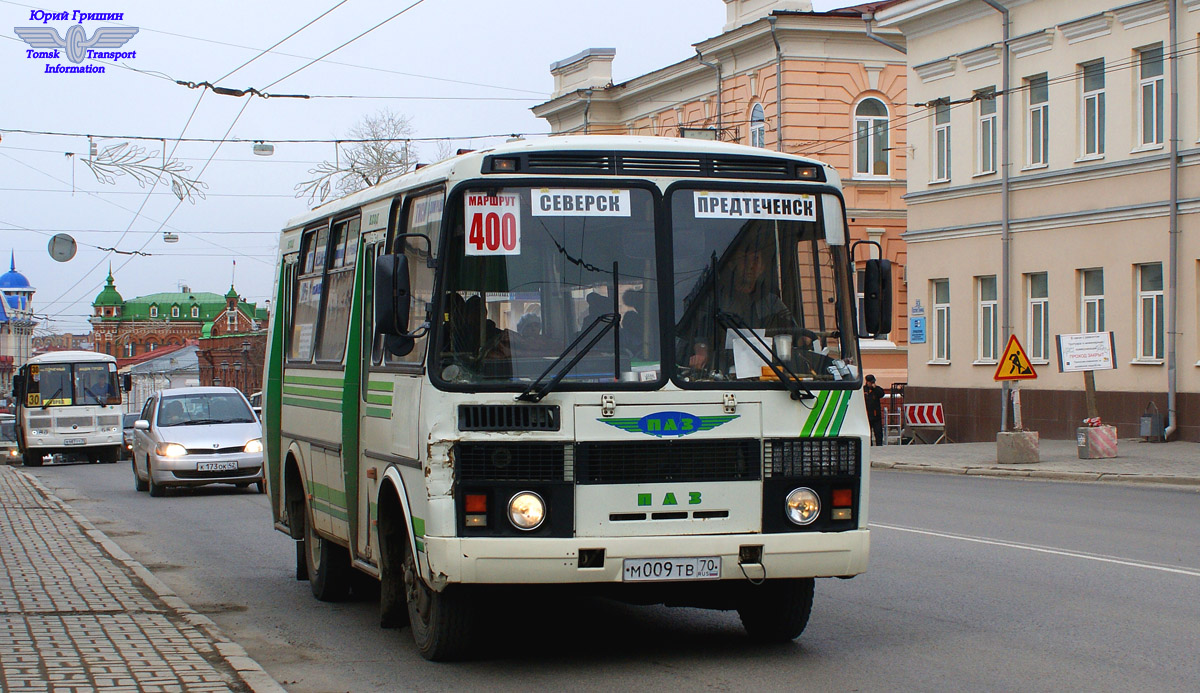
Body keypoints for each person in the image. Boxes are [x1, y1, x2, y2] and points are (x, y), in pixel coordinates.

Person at [687, 245, 795, 371]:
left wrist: (805, 338)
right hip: (722, 374)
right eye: (745, 259)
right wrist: (701, 352)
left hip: (766, 373)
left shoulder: (771, 302)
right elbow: (700, 333)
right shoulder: (715, 299)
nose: (750, 266)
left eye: (755, 260)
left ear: (762, 267)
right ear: (732, 265)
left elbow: (793, 330)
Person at [864, 374, 885, 446]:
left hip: (876, 416)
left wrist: (875, 388)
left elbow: (881, 394)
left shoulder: (877, 389)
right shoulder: (864, 390)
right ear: (867, 382)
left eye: (873, 382)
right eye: (871, 382)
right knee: (868, 433)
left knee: (878, 432)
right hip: (867, 416)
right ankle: (869, 445)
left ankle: (879, 445)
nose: (872, 384)